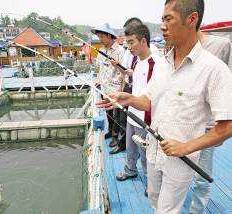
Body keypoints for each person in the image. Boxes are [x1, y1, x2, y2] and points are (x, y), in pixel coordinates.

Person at [96, 0, 232, 213]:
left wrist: (186, 147)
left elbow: (228, 126)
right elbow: (149, 100)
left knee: (167, 210)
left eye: (169, 19)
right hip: (153, 154)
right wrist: (129, 99)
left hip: (180, 162)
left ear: (192, 19)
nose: (162, 26)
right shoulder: (162, 65)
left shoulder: (214, 69)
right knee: (155, 202)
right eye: (162, 20)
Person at [188, 30, 232, 214]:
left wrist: (221, 127)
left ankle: (197, 211)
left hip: (207, 125)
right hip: (184, 121)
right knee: (180, 169)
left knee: (202, 175)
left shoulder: (222, 45)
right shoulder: (177, 47)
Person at [115, 24, 160, 185]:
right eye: (127, 42)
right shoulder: (136, 62)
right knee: (131, 147)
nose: (129, 47)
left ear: (143, 41)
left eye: (131, 42)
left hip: (145, 118)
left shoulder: (156, 64)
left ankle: (151, 183)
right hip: (132, 113)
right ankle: (130, 170)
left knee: (146, 152)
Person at [92, 23, 126, 147]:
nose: (100, 39)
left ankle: (117, 137)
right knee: (108, 113)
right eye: (99, 37)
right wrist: (100, 80)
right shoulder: (101, 51)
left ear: (109, 35)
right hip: (105, 88)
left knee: (117, 115)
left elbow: (126, 72)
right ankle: (111, 132)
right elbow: (101, 68)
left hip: (115, 88)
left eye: (102, 36)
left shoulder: (121, 51)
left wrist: (122, 89)